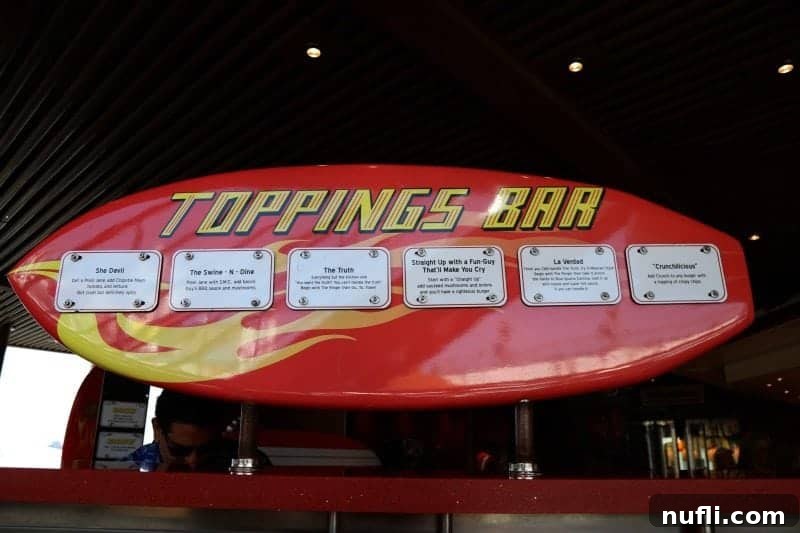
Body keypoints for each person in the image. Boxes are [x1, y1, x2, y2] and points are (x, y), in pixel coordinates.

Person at [130, 389, 235, 472]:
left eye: (206, 450)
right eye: (179, 450)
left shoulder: (233, 461)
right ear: (157, 428)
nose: (193, 461)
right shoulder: (131, 466)